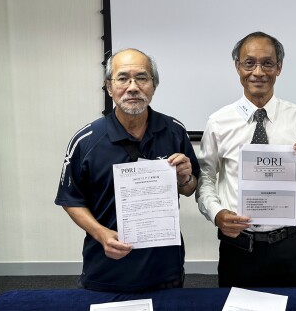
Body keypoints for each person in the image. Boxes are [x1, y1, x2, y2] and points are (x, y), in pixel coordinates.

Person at [196, 31, 296, 288]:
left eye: (267, 63)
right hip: (237, 243)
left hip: (288, 244)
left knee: (291, 306)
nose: (258, 72)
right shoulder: (218, 122)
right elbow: (205, 177)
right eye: (249, 63)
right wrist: (216, 214)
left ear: (279, 68)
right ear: (238, 67)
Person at [55, 48, 200, 292]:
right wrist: (101, 234)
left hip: (165, 268)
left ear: (154, 85)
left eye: (142, 78)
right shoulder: (86, 140)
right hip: (107, 267)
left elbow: (189, 188)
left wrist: (185, 178)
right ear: (109, 87)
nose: (132, 87)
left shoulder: (174, 131)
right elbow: (71, 200)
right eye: (122, 78)